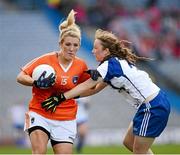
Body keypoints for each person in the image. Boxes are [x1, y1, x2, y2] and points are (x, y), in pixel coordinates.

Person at [41, 29, 171, 154]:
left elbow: (86, 85)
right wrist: (69, 96)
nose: (92, 51)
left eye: (96, 48)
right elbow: (94, 90)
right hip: (152, 103)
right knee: (129, 142)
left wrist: (60, 97)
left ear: (106, 51)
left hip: (153, 106)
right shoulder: (113, 64)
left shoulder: (109, 65)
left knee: (139, 151)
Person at [16, 10, 90, 154]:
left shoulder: (81, 66)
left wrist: (99, 78)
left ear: (79, 45)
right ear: (60, 43)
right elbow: (20, 77)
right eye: (68, 44)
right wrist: (35, 83)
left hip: (66, 118)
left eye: (75, 45)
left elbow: (88, 88)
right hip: (40, 113)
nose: (71, 49)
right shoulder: (45, 60)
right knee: (39, 152)